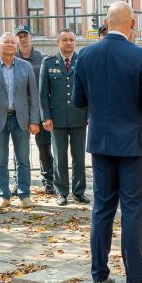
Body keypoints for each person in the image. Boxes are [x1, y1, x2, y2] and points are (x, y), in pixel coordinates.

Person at [72, 2, 142, 283]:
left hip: (100, 142)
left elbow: (77, 101)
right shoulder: (141, 56)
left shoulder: (85, 55)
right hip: (134, 145)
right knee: (133, 210)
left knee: (102, 209)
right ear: (133, 24)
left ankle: (99, 276)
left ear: (107, 22)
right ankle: (135, 279)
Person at [0, 33, 41, 209]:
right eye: (5, 42)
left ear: (16, 46)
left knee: (23, 159)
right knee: (0, 160)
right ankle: (4, 196)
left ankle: (24, 195)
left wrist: (34, 120)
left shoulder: (25, 67)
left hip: (20, 119)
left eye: (12, 42)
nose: (9, 45)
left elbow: (33, 96)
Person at [39, 28, 89, 207]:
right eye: (65, 40)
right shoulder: (49, 62)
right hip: (57, 118)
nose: (69, 43)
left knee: (79, 157)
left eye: (71, 40)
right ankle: (62, 192)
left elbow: (88, 90)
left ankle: (79, 192)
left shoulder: (82, 61)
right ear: (58, 42)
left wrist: (89, 114)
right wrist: (46, 117)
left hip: (79, 116)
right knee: (60, 157)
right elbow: (43, 93)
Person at [14, 24, 54, 194]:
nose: (23, 39)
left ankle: (48, 181)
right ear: (17, 39)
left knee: (44, 148)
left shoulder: (42, 58)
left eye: (26, 35)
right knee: (19, 150)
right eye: (20, 36)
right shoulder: (12, 58)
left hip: (39, 112)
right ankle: (19, 182)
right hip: (19, 112)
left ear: (31, 37)